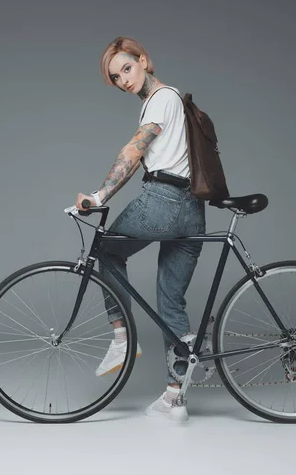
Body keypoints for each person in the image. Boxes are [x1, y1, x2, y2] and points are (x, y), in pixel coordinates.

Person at [75, 36, 205, 421]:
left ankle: (121, 338)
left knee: (106, 251)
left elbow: (133, 152)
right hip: (192, 210)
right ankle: (174, 396)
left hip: (165, 202)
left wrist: (98, 196)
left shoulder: (162, 99)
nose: (123, 80)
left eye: (126, 69)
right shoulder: (170, 100)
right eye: (116, 77)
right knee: (169, 301)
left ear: (144, 60)